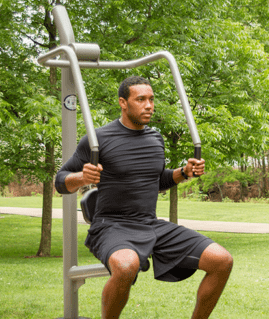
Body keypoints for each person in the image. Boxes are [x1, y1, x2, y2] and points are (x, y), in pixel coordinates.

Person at [55, 76, 233, 319]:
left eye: (151, 99)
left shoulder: (155, 139)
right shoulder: (98, 139)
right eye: (141, 99)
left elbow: (157, 180)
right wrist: (81, 177)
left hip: (150, 224)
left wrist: (183, 172)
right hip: (111, 225)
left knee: (222, 260)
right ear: (123, 103)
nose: (149, 105)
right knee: (127, 266)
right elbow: (60, 181)